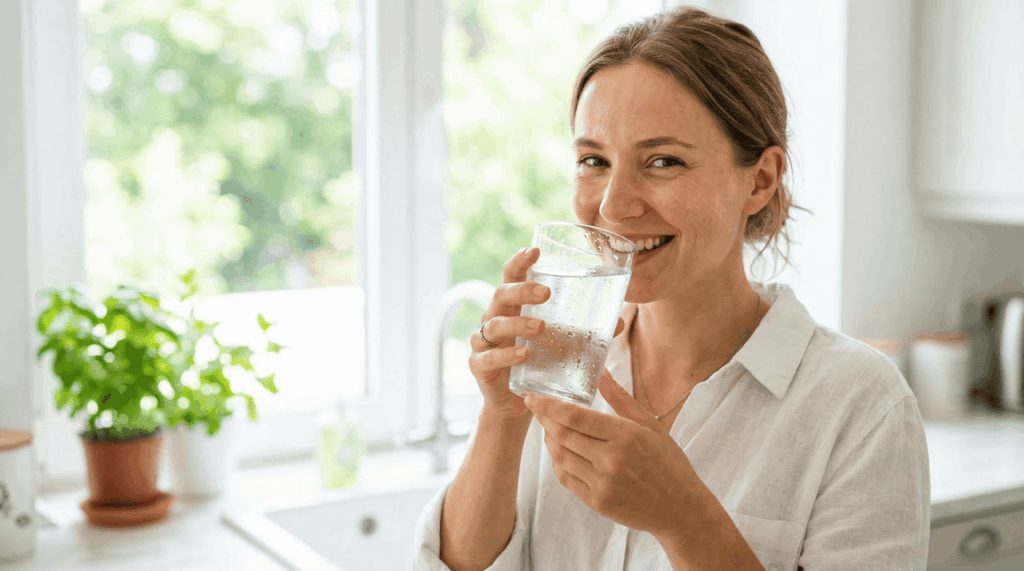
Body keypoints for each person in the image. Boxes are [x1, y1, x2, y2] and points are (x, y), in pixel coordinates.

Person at [414, 6, 930, 571]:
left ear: (759, 179)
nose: (613, 205)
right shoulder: (559, 362)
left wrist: (684, 520)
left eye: (663, 161)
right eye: (594, 160)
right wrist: (504, 418)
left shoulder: (860, 405)